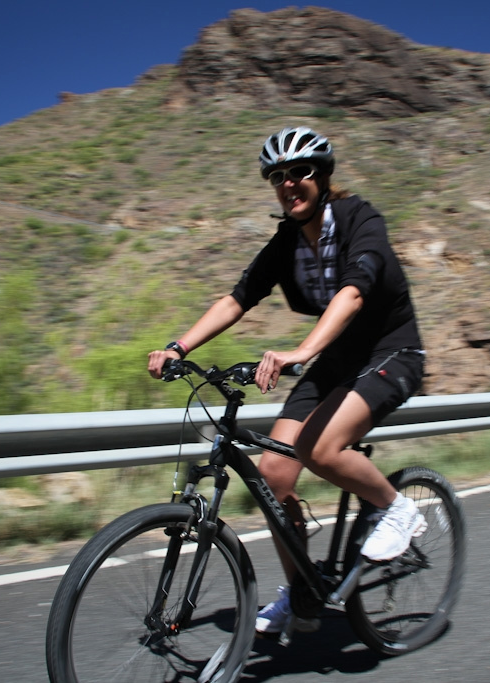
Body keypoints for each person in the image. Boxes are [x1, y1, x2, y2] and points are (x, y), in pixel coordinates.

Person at [147, 126, 426, 635]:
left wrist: (300, 352)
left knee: (319, 448)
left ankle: (397, 508)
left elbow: (354, 292)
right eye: (278, 177)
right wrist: (178, 347)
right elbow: (238, 298)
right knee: (274, 471)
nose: (289, 184)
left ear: (322, 176)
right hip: (339, 358)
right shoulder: (287, 241)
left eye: (299, 172)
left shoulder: (358, 219)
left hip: (393, 352)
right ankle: (303, 596)